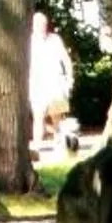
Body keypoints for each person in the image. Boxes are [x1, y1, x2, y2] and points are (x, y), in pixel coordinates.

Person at [29, 12, 75, 154]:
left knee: (57, 116)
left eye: (43, 23)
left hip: (56, 83)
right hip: (37, 83)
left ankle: (59, 144)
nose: (41, 26)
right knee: (38, 116)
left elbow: (65, 59)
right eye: (37, 24)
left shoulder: (55, 39)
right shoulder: (28, 42)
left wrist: (70, 77)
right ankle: (37, 146)